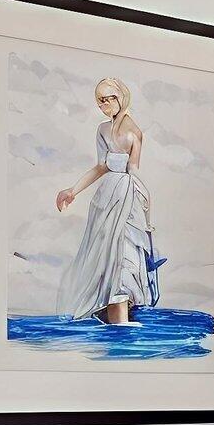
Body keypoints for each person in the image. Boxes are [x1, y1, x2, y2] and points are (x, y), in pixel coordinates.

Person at [54, 76, 159, 324]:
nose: (103, 105)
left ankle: (121, 323)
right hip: (105, 196)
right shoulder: (102, 129)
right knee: (104, 253)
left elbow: (133, 172)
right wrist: (73, 190)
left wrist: (146, 214)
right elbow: (101, 166)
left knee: (124, 253)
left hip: (126, 195)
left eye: (108, 99)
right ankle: (114, 322)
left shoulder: (135, 134)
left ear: (120, 98)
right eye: (100, 101)